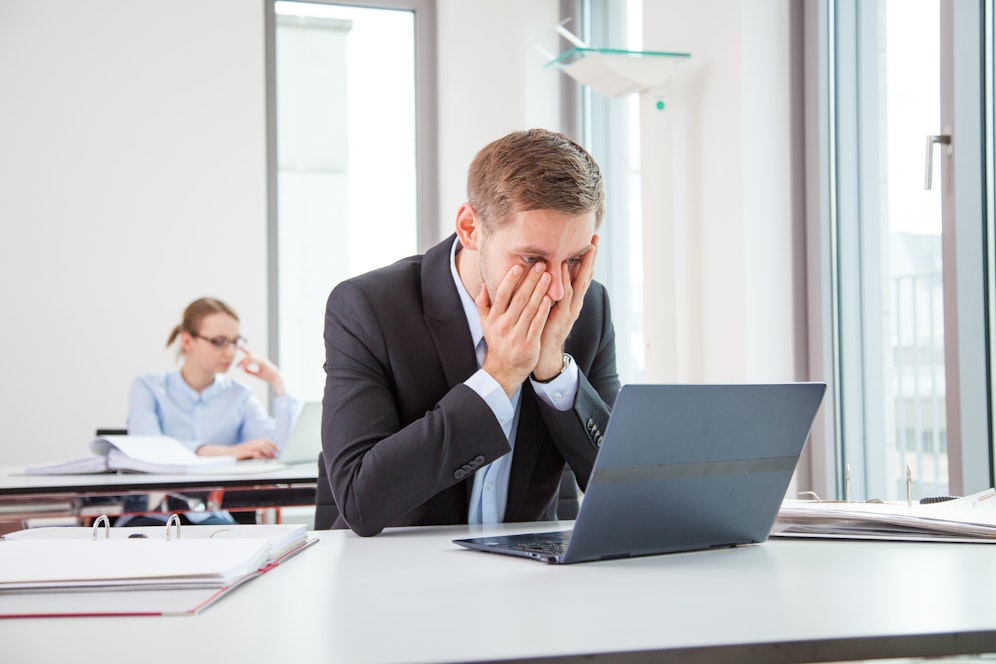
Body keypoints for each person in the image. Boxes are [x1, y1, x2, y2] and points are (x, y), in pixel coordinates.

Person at [322, 128, 620, 536]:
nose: (555, 288)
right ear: (469, 227)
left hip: (531, 580)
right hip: (396, 574)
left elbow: (621, 487)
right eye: (533, 258)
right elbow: (361, 500)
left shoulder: (586, 308)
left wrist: (554, 371)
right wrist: (500, 375)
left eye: (574, 259)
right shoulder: (369, 308)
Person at [125, 297, 298, 524]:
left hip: (213, 516)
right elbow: (149, 448)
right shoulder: (148, 387)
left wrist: (277, 382)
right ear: (188, 341)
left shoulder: (240, 395)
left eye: (235, 342)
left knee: (227, 538)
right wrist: (230, 452)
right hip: (153, 514)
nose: (231, 352)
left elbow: (279, 451)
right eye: (219, 342)